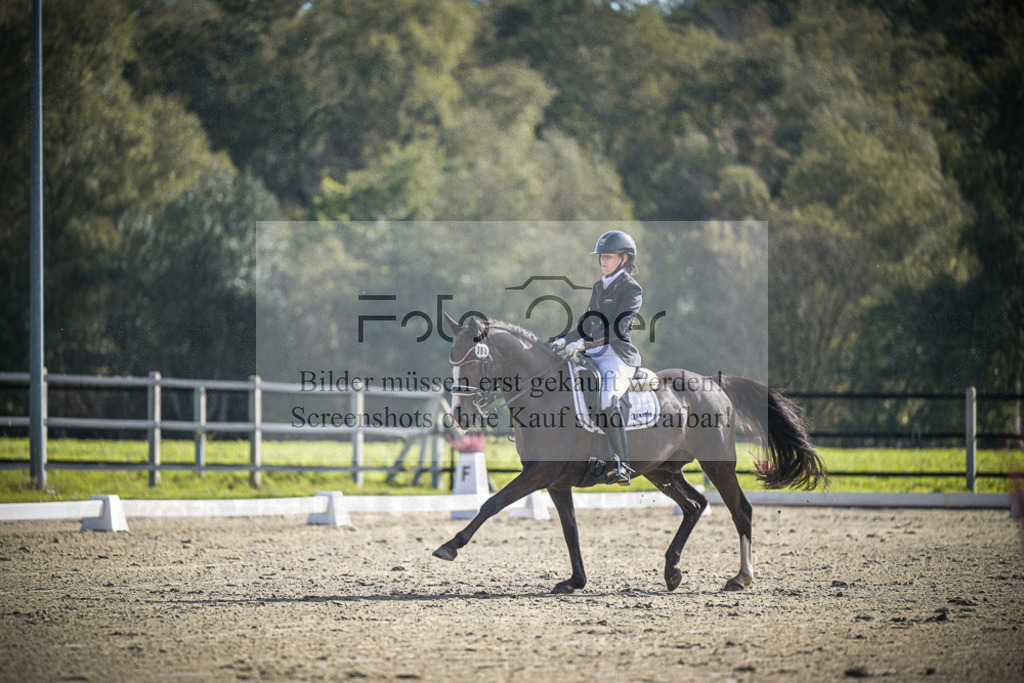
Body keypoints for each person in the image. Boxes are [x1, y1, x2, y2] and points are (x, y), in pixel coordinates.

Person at [552, 230, 642, 485]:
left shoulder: (631, 289)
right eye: (601, 256)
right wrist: (566, 339)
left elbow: (618, 330)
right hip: (591, 351)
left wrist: (584, 343)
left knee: (605, 398)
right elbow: (588, 322)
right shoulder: (599, 285)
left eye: (609, 256)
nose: (603, 260)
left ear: (624, 259)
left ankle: (621, 464)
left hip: (617, 356)